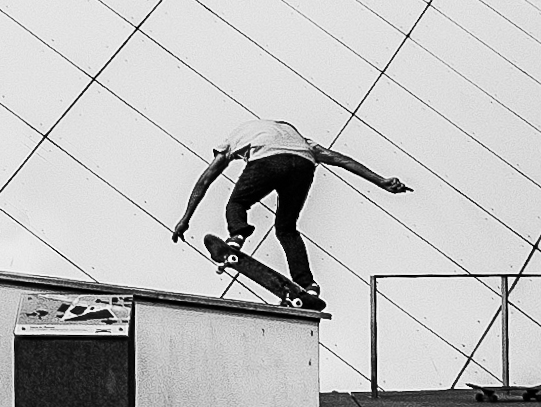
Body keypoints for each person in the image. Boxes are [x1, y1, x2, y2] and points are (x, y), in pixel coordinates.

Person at [169, 117, 409, 308]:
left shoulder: (238, 135)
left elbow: (205, 180)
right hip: (303, 165)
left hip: (267, 161)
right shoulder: (300, 140)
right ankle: (308, 285)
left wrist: (186, 217)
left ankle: (236, 239)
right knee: (286, 229)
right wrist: (381, 181)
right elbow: (339, 159)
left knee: (237, 203)